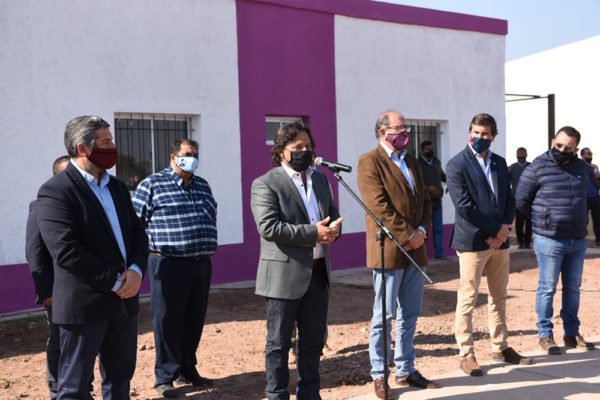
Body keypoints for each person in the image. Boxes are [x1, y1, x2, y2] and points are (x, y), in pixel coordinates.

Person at [36, 116, 148, 399]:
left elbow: (138, 234)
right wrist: (115, 282)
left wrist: (136, 270)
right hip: (84, 307)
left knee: (119, 382)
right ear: (83, 148)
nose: (113, 147)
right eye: (105, 142)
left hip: (124, 304)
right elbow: (66, 250)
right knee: (74, 388)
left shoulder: (117, 187)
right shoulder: (56, 191)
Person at [250, 121, 342, 400]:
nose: (305, 151)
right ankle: (277, 395)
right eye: (297, 147)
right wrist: (314, 233)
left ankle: (310, 394)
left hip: (318, 273)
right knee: (278, 344)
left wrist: (334, 230)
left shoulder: (321, 180)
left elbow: (331, 214)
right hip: (283, 277)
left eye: (308, 146)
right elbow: (269, 227)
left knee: (313, 342)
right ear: (281, 151)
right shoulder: (266, 183)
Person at [357, 110, 437, 400]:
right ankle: (380, 374)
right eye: (399, 129)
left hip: (416, 249)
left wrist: (422, 231)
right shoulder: (370, 161)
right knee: (384, 316)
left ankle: (406, 368)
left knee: (410, 314)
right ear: (383, 132)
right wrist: (407, 235)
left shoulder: (411, 160)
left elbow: (425, 200)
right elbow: (378, 207)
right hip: (389, 251)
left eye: (407, 129)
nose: (405, 134)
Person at [446, 113, 531, 377]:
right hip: (473, 241)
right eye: (476, 132)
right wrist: (496, 230)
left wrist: (503, 230)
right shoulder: (457, 164)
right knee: (468, 298)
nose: (480, 137)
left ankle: (500, 346)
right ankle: (466, 353)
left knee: (499, 295)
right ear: (469, 132)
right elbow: (464, 206)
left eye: (485, 134)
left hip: (500, 242)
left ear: (493, 136)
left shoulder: (499, 162)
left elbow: (509, 199)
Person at [132, 139, 217, 398]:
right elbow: (135, 225)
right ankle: (165, 376)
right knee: (167, 320)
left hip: (200, 263)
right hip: (168, 263)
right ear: (173, 157)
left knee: (194, 318)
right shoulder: (152, 185)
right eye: (187, 154)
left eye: (196, 154)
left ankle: (187, 370)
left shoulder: (203, 185)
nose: (192, 159)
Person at [516, 127, 596, 355]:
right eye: (558, 145)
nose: (561, 150)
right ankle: (545, 334)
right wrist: (543, 221)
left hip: (577, 240)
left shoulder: (583, 169)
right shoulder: (537, 167)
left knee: (573, 289)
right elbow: (521, 201)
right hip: (549, 240)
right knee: (547, 288)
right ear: (552, 141)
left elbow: (587, 197)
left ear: (575, 149)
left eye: (568, 148)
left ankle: (571, 333)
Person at [26, 155, 96, 400]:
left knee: (86, 340)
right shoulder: (41, 206)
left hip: (88, 287)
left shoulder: (89, 204)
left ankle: (83, 386)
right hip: (58, 290)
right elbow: (35, 251)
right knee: (60, 340)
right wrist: (45, 291)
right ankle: (58, 388)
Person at [419, 140, 448, 260]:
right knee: (423, 229)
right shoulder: (417, 164)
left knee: (438, 229)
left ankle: (439, 254)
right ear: (422, 151)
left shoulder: (436, 162)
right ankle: (421, 255)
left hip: (437, 201)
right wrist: (427, 188)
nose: (430, 151)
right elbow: (415, 182)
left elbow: (442, 176)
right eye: (427, 149)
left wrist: (452, 182)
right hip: (424, 203)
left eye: (432, 149)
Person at [508, 147, 532, 249]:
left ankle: (527, 243)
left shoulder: (531, 167)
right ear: (516, 155)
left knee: (529, 223)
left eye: (523, 153)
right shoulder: (512, 168)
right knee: (519, 222)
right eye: (519, 154)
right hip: (517, 200)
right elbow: (506, 182)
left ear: (526, 155)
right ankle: (520, 242)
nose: (521, 155)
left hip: (530, 200)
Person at [580, 147, 600, 246]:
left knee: (598, 220)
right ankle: (581, 240)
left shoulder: (594, 167)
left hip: (596, 197)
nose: (590, 155)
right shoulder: (579, 166)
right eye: (588, 154)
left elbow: (598, 183)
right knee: (583, 220)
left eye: (591, 154)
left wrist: (598, 177)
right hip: (584, 197)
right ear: (582, 155)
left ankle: (599, 240)